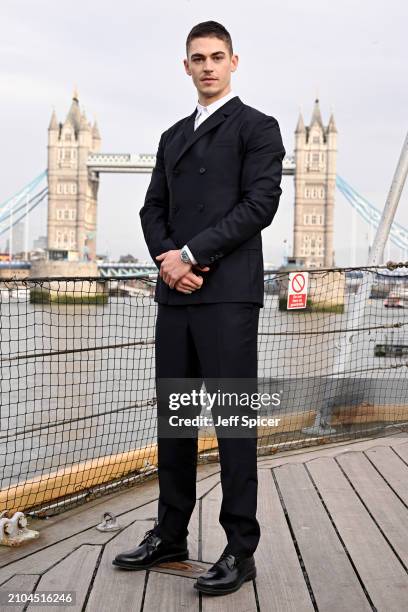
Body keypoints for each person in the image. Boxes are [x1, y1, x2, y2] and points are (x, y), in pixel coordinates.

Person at [113, 20, 285, 596]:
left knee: (234, 426)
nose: (207, 66)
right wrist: (168, 259)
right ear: (185, 67)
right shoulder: (170, 136)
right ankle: (170, 534)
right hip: (175, 294)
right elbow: (150, 207)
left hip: (227, 295)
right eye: (197, 58)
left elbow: (259, 204)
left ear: (235, 62)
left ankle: (240, 550)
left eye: (217, 56)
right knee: (176, 423)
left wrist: (190, 253)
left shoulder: (259, 128)